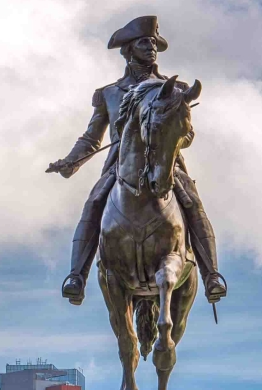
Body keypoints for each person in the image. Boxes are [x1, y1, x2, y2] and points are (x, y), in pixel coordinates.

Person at [46, 15, 227, 306]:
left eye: (154, 43)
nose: (152, 47)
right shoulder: (108, 94)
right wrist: (71, 161)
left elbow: (187, 134)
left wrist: (174, 137)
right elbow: (92, 138)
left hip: (165, 164)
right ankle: (76, 277)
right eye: (145, 42)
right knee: (94, 203)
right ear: (129, 49)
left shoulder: (173, 90)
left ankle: (211, 275)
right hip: (121, 165)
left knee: (193, 203)